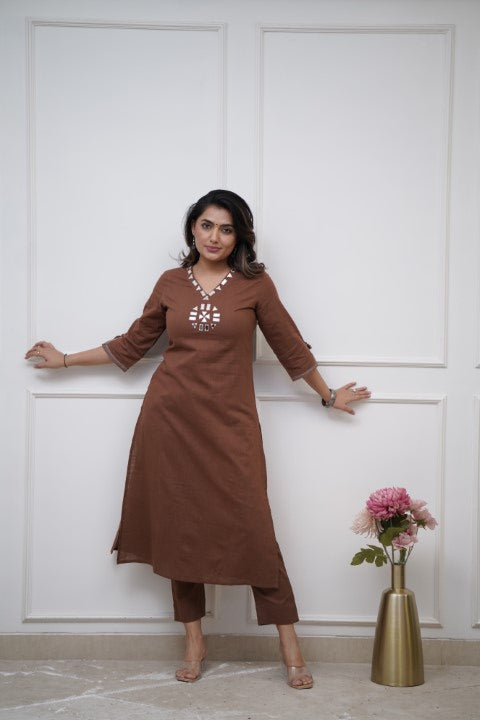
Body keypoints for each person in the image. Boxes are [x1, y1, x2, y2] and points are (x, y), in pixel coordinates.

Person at [25, 189, 370, 689]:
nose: (215, 237)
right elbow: (133, 343)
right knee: (179, 528)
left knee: (254, 528)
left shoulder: (256, 285)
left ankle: (290, 645)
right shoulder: (170, 283)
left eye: (226, 229)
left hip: (231, 425)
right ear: (193, 228)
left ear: (239, 237)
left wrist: (328, 394)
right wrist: (65, 360)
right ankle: (194, 641)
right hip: (171, 421)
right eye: (207, 225)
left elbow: (291, 347)